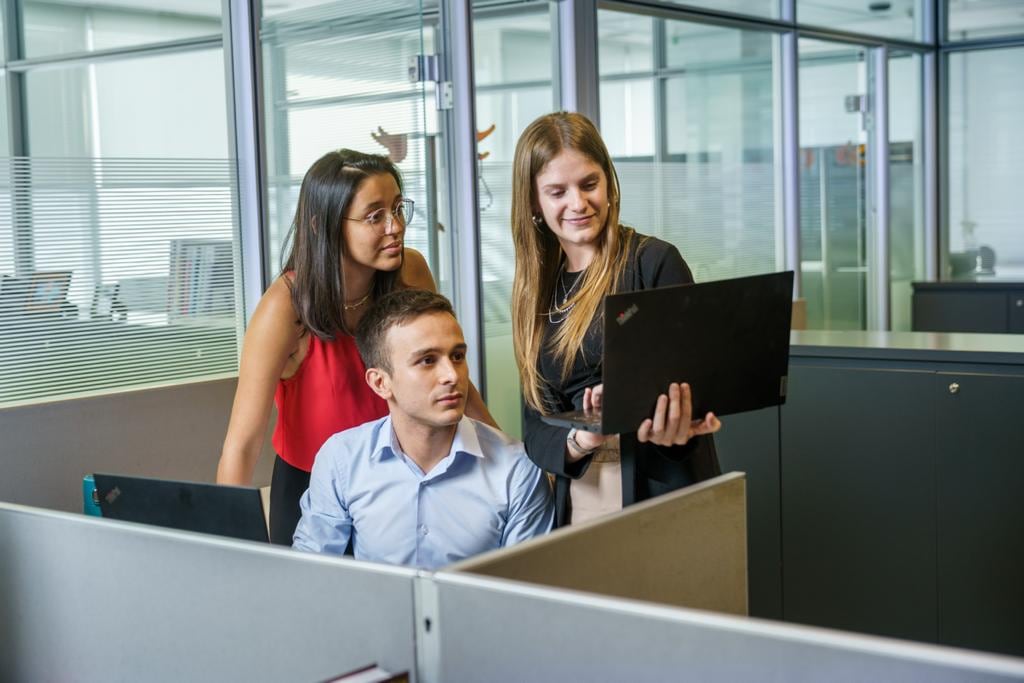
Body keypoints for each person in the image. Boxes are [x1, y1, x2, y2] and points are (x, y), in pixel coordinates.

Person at [217, 149, 494, 545]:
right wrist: (224, 549)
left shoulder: (409, 272)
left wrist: (512, 465)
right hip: (310, 491)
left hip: (402, 481)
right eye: (374, 216)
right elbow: (242, 443)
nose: (395, 226)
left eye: (398, 208)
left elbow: (450, 381)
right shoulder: (285, 306)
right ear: (322, 224)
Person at [510, 112, 722, 527]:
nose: (578, 203)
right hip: (582, 496)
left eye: (589, 184)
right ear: (534, 201)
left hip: (660, 489)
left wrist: (661, 418)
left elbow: (694, 390)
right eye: (557, 191)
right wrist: (582, 436)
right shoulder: (535, 290)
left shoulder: (653, 263)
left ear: (608, 183)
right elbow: (536, 429)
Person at [293, 289, 554, 569]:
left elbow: (526, 591)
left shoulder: (517, 468)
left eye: (457, 356)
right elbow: (309, 572)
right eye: (427, 360)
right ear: (380, 383)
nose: (452, 376)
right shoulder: (341, 459)